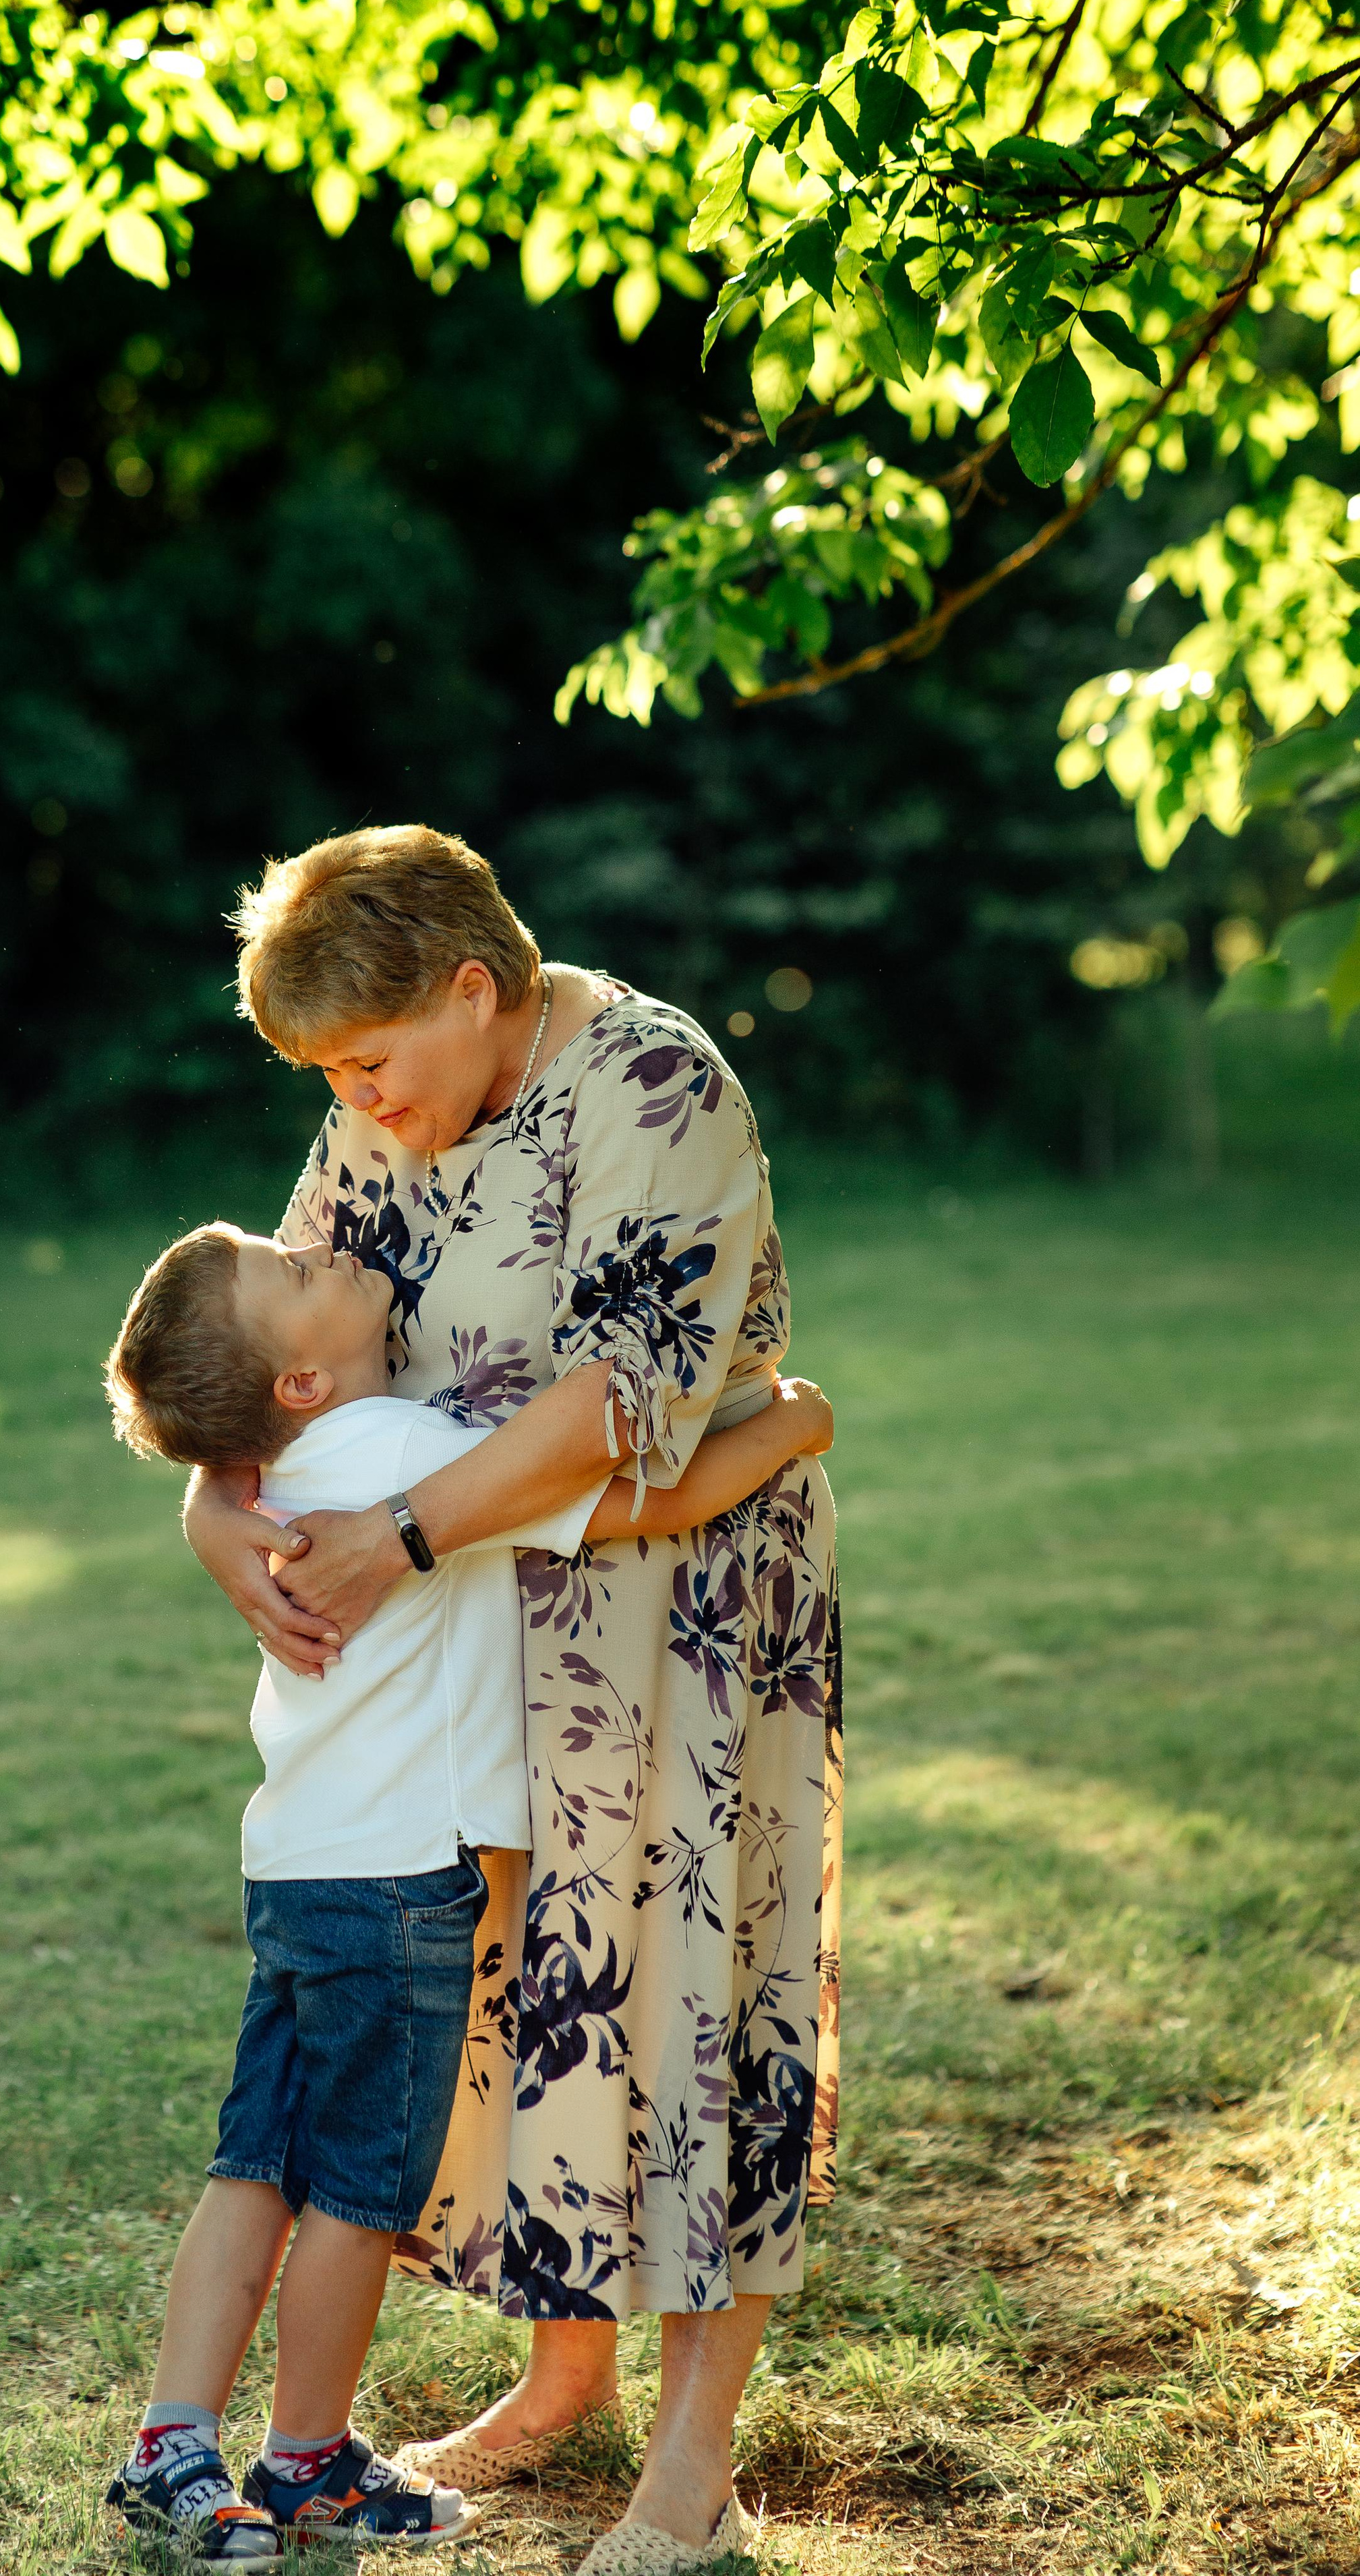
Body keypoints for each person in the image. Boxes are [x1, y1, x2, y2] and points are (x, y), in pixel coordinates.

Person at [181, 826, 844, 2576]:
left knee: (691, 2002)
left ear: (475, 991)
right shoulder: (386, 1103)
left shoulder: (654, 1085)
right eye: (327, 1078)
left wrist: (397, 1530)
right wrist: (213, 1500)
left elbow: (623, 1406)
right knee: (535, 1991)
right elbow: (280, 1332)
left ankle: (689, 2461)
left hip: (675, 1612)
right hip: (480, 1629)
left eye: (370, 1066)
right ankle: (563, 2377)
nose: (355, 1105)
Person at [99, 1215, 834, 2558]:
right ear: (302, 1382)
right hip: (400, 1884)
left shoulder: (275, 1470)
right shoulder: (403, 1457)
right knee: (358, 2197)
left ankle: (171, 2442)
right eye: (295, 1272)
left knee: (252, 2161)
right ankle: (307, 2462)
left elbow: (216, 1469)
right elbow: (641, 1500)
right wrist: (783, 1428)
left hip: (299, 1861)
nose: (320, 1246)